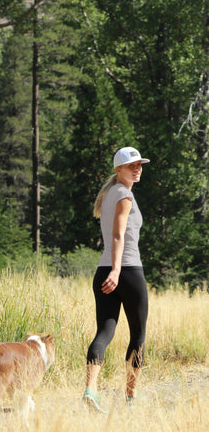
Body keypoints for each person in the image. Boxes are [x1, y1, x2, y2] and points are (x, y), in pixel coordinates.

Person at [83, 146, 150, 412]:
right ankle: (131, 398)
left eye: (139, 164)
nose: (137, 168)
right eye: (132, 165)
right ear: (118, 169)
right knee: (138, 335)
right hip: (127, 270)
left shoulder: (110, 193)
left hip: (105, 270)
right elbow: (117, 235)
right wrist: (117, 270)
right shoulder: (124, 196)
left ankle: (91, 389)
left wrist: (110, 270)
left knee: (104, 332)